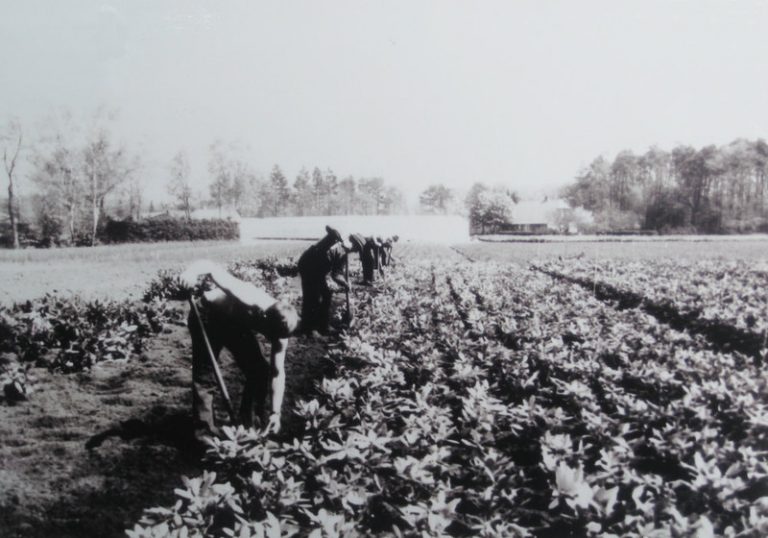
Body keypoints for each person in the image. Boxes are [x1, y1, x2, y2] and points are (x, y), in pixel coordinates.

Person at [179, 260, 298, 439]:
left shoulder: (283, 329)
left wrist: (276, 413)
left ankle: (247, 423)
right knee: (205, 376)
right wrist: (190, 273)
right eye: (270, 334)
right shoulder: (248, 296)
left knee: (259, 370)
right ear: (264, 318)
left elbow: (277, 373)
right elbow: (209, 266)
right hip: (207, 314)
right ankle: (204, 433)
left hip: (234, 321)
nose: (273, 340)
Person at [297, 226, 350, 335]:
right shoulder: (334, 248)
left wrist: (345, 283)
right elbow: (335, 275)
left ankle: (323, 325)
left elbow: (336, 274)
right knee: (312, 297)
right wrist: (344, 283)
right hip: (308, 265)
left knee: (326, 295)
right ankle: (309, 329)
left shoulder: (343, 253)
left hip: (317, 269)